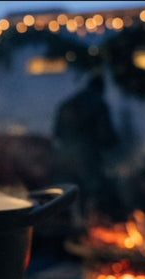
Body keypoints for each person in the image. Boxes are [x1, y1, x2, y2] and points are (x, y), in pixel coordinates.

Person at [53, 74, 120, 221]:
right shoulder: (98, 103)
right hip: (86, 155)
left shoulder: (68, 103)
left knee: (69, 192)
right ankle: (88, 225)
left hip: (64, 155)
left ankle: (74, 222)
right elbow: (106, 135)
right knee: (92, 191)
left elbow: (56, 133)